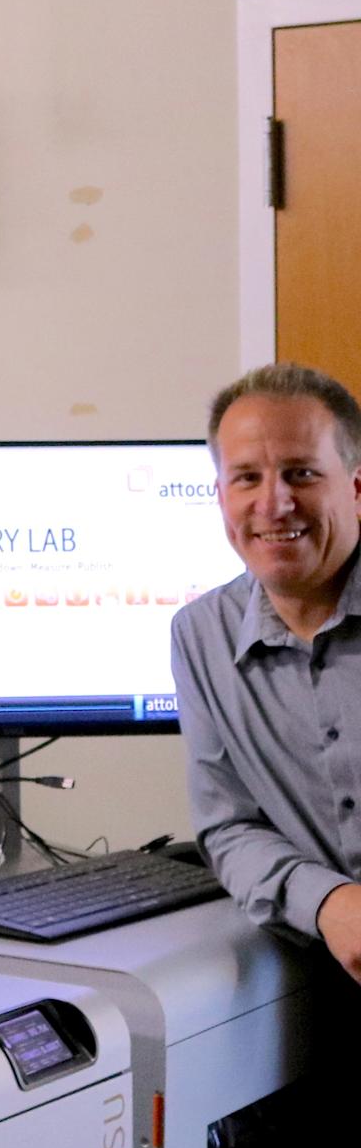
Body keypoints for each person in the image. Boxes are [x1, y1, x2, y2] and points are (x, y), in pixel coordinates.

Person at [171, 363, 361, 981]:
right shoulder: (202, 635)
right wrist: (329, 902)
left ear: (355, 487)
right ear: (221, 494)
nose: (274, 504)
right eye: (247, 478)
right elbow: (229, 825)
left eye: (302, 473)